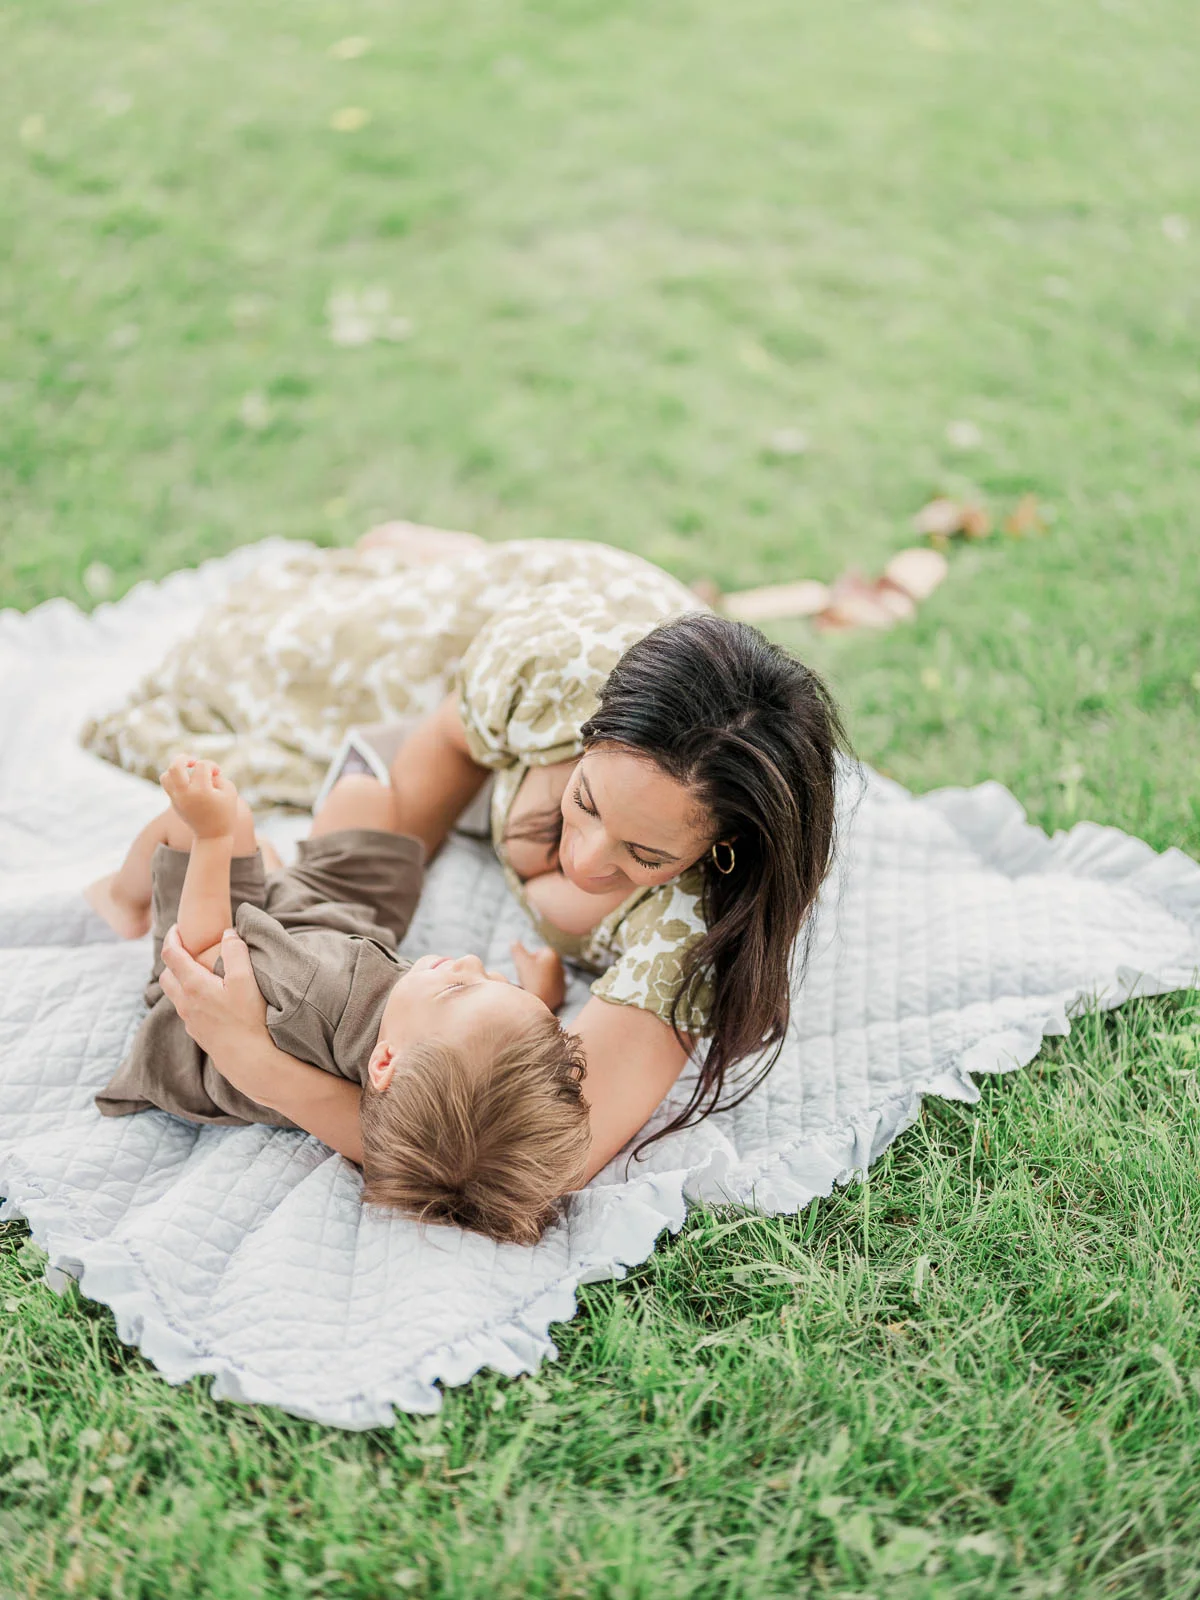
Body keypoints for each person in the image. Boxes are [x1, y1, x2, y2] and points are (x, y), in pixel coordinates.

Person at [87, 532, 849, 1182]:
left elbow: (546, 1160)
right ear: (584, 732)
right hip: (565, 604)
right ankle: (435, 555)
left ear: (720, 850)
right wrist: (325, 903)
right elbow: (437, 759)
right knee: (269, 653)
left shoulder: (697, 931)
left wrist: (260, 1065)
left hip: (633, 654)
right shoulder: (547, 670)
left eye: (645, 855)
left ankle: (430, 556)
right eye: (582, 803)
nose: (584, 861)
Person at [87, 755, 588, 1244]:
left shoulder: (311, 994)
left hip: (214, 969)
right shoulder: (433, 1087)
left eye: (461, 986)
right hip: (335, 932)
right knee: (363, 796)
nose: (473, 962)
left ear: (385, 1060)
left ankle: (124, 900)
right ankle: (273, 878)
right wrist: (535, 999)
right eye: (496, 983)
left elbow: (198, 959)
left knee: (216, 819)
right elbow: (484, 1049)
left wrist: (214, 837)